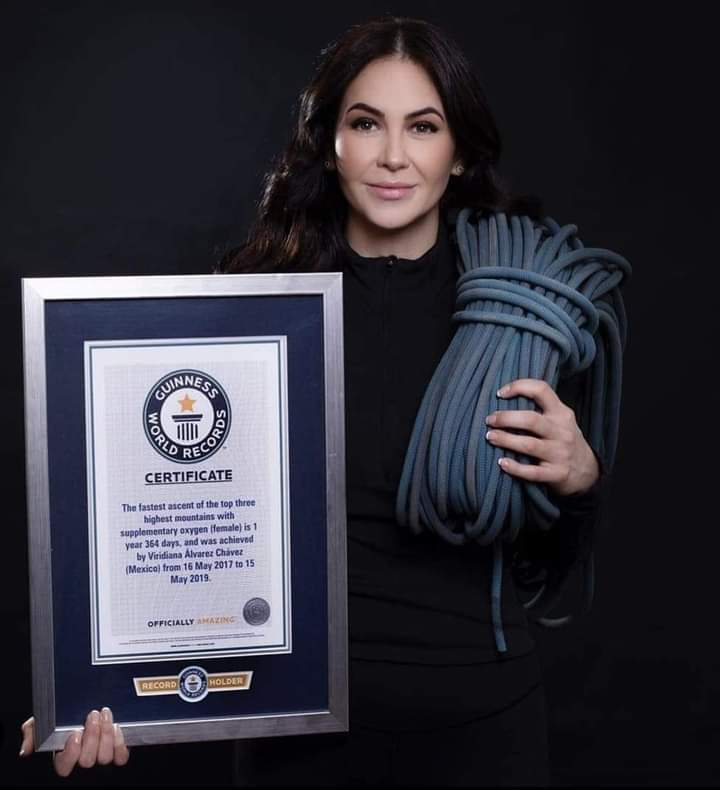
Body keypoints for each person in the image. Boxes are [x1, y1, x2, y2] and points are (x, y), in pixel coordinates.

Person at [20, 14, 614, 785]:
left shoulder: (521, 315)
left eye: (424, 126)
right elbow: (169, 519)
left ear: (461, 150)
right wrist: (88, 692)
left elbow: (546, 562)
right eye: (366, 123)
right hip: (298, 734)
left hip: (484, 729)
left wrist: (580, 484)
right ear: (330, 142)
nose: (393, 155)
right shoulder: (248, 317)